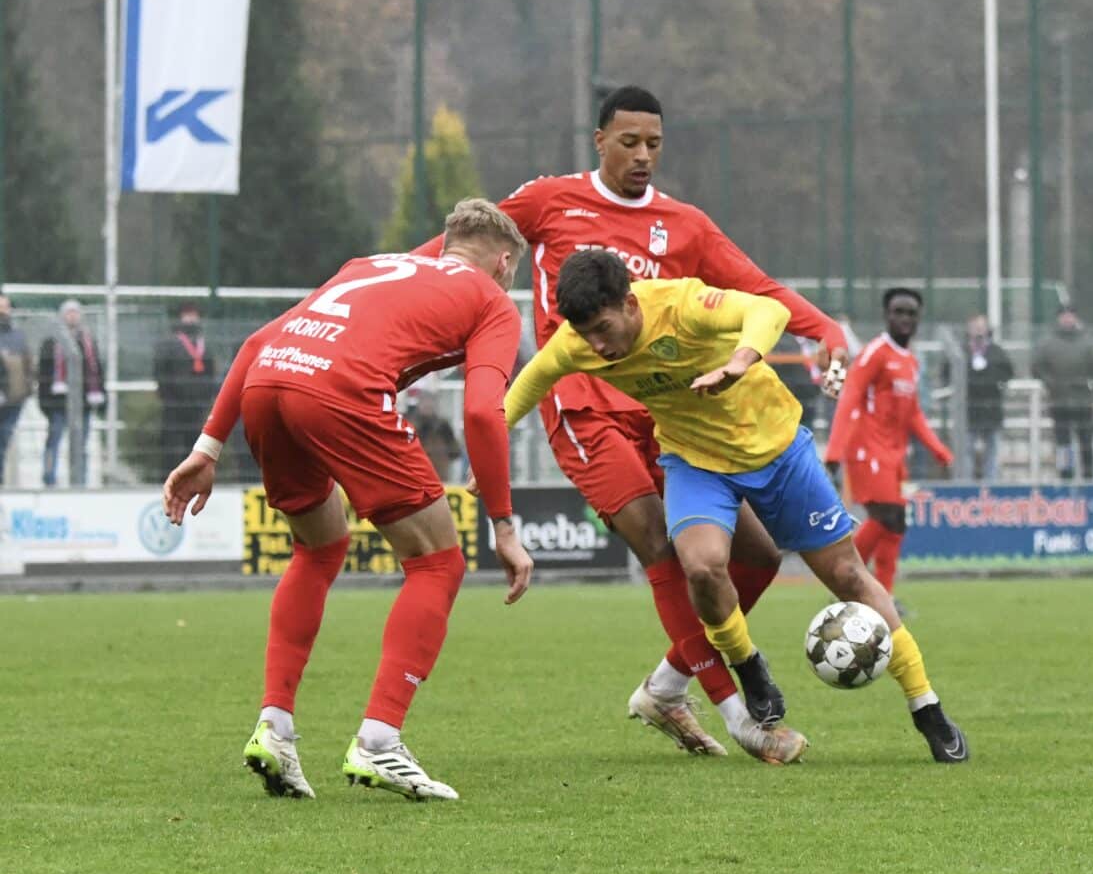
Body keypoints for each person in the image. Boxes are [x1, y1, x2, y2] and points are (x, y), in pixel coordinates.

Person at [415, 84, 850, 757]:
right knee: (661, 548)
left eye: (654, 143)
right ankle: (743, 718)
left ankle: (668, 683)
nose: (643, 155)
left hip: (666, 414)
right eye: (629, 142)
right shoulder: (550, 200)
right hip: (584, 411)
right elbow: (462, 247)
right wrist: (388, 287)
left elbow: (758, 288)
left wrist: (826, 331)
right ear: (599, 141)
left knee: (759, 557)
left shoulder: (684, 224)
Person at [509, 251, 969, 764]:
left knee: (847, 575)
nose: (595, 345)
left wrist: (739, 362)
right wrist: (488, 449)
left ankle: (926, 706)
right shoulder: (579, 344)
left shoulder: (682, 304)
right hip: (696, 463)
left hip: (777, 451)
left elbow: (768, 313)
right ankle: (747, 664)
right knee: (702, 567)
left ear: (629, 303)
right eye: (585, 333)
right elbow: (530, 382)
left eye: (603, 327)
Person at [161, 199, 537, 801]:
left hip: (270, 382)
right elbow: (481, 413)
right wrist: (504, 524)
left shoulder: (371, 264)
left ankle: (275, 728)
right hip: (340, 390)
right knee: (438, 562)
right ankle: (380, 742)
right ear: (505, 259)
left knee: (320, 547)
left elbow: (260, 340)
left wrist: (207, 449)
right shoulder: (492, 299)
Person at [827, 287, 954, 595]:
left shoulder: (910, 362)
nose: (904, 318)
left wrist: (939, 451)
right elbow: (850, 397)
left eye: (911, 313)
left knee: (896, 526)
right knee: (887, 517)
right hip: (868, 450)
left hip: (894, 456)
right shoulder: (875, 353)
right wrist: (834, 451)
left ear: (919, 318)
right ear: (886, 315)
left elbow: (913, 415)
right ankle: (842, 580)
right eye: (898, 312)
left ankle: (883, 598)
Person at [37, 298, 105, 486]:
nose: (72, 316)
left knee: (81, 446)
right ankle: (49, 479)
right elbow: (43, 375)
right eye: (69, 312)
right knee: (53, 443)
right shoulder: (51, 343)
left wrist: (100, 397)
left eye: (76, 312)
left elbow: (98, 370)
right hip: (58, 404)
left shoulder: (89, 342)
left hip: (83, 404)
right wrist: (45, 404)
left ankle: (80, 481)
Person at [1032, 305, 1093, 481]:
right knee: (1063, 444)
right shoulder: (1048, 343)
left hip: (1083, 401)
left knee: (1086, 442)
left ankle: (1088, 477)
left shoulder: (1086, 342)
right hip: (1059, 401)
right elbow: (1036, 367)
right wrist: (1051, 384)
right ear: (1059, 318)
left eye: (1071, 315)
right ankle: (1065, 476)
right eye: (1064, 315)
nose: (1068, 319)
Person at [152, 302, 219, 477]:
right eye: (187, 314)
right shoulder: (169, 343)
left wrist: (207, 397)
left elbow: (211, 372)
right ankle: (168, 479)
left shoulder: (204, 345)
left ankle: (191, 478)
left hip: (197, 406)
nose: (191, 318)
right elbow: (160, 371)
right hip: (174, 405)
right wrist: (168, 396)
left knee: (195, 445)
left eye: (194, 315)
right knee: (171, 445)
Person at [963, 313, 1014, 479]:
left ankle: (990, 485)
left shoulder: (997, 352)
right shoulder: (962, 352)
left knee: (992, 451)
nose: (978, 330)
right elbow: (948, 373)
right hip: (968, 411)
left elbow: (1007, 373)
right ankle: (966, 484)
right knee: (966, 450)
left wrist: (991, 380)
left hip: (991, 410)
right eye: (975, 326)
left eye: (981, 326)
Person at [0, 294, 31, 475]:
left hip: (14, 399)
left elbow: (28, 364)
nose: (2, 311)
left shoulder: (19, 336)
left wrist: (27, 389)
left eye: (5, 307)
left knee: (4, 438)